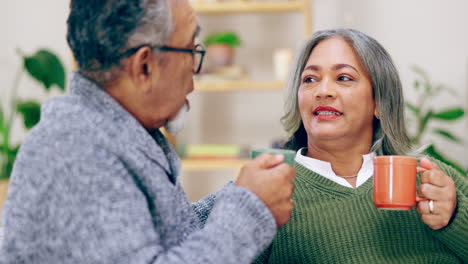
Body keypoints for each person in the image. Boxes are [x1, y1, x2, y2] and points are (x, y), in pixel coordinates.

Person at [0, 0, 296, 263]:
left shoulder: (117, 133)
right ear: (145, 67)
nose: (195, 67)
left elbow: (171, 236)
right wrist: (250, 208)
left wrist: (240, 195)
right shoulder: (75, 151)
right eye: (190, 50)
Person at [254, 28, 467, 263]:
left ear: (379, 102)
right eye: (310, 79)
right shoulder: (267, 192)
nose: (323, 91)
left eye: (344, 78)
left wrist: (456, 218)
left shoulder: (434, 182)